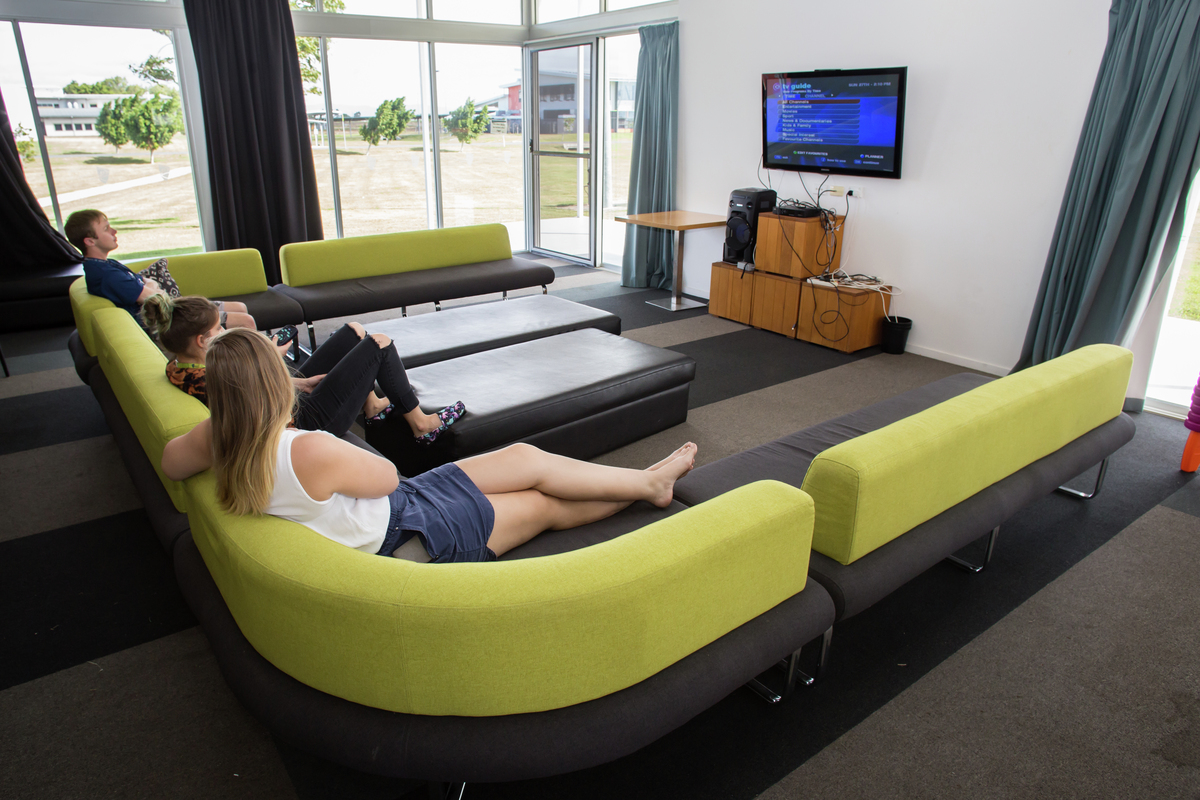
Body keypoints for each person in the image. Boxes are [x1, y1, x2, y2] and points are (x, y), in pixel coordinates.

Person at [161, 328, 697, 563]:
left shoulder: (220, 438)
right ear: (275, 383)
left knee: (524, 459)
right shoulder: (304, 449)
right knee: (541, 504)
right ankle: (648, 488)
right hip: (405, 538)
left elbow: (169, 460)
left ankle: (647, 481)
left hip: (391, 510)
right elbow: (388, 476)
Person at [141, 294, 462, 443]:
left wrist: (304, 383)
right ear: (201, 341)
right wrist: (271, 356)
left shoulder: (180, 366)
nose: (225, 332)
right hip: (304, 422)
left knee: (353, 332)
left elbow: (259, 390)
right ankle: (421, 424)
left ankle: (374, 405)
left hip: (289, 400)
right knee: (380, 343)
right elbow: (263, 399)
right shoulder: (216, 374)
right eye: (218, 329)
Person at [65, 209, 255, 331]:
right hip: (169, 322)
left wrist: (149, 285)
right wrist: (151, 284)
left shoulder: (104, 265)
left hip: (170, 310)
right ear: (90, 241)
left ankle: (236, 353)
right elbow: (154, 297)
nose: (114, 231)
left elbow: (146, 288)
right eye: (106, 229)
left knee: (240, 307)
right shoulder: (107, 276)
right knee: (246, 321)